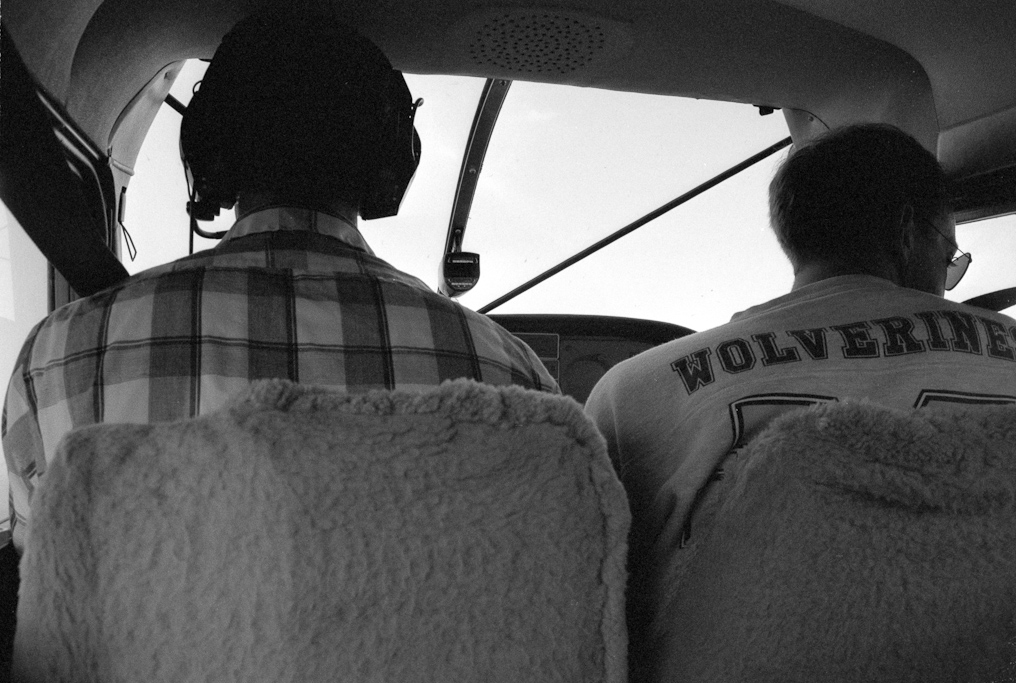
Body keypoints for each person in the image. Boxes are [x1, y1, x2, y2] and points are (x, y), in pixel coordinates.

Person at [2, 11, 558, 554]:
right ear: (392, 162)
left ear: (206, 151)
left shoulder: (55, 359)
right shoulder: (510, 377)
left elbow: (43, 585)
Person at [584, 123, 1016, 675]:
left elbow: (594, 613)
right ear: (908, 232)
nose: (947, 277)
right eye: (950, 255)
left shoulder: (635, 390)